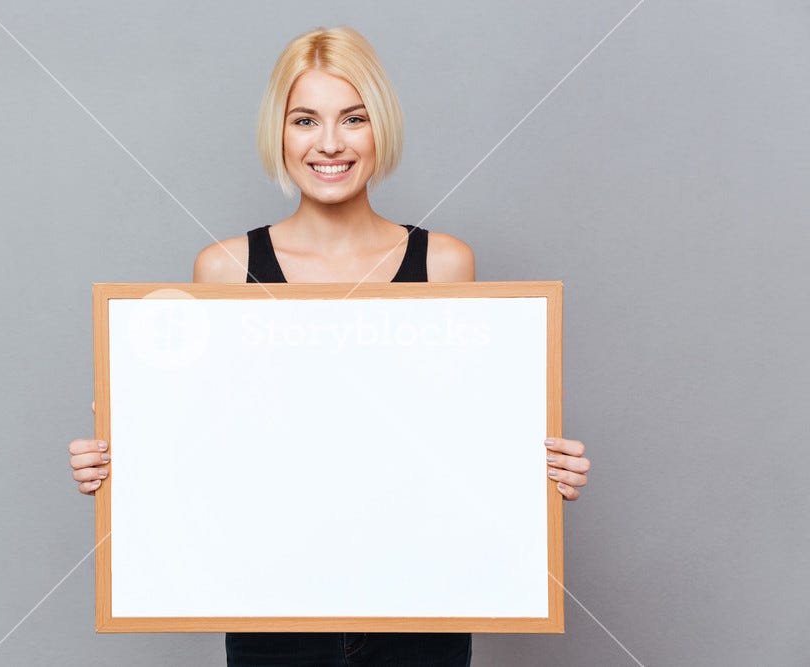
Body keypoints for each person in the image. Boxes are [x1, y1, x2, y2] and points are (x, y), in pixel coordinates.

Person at [68, 25, 591, 667]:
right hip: (273, 607)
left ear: (381, 129)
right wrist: (122, 463)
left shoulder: (444, 264)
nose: (330, 144)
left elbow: (458, 433)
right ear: (279, 134)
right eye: (305, 120)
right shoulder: (225, 269)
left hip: (420, 603)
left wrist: (533, 467)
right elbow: (205, 442)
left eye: (353, 118)